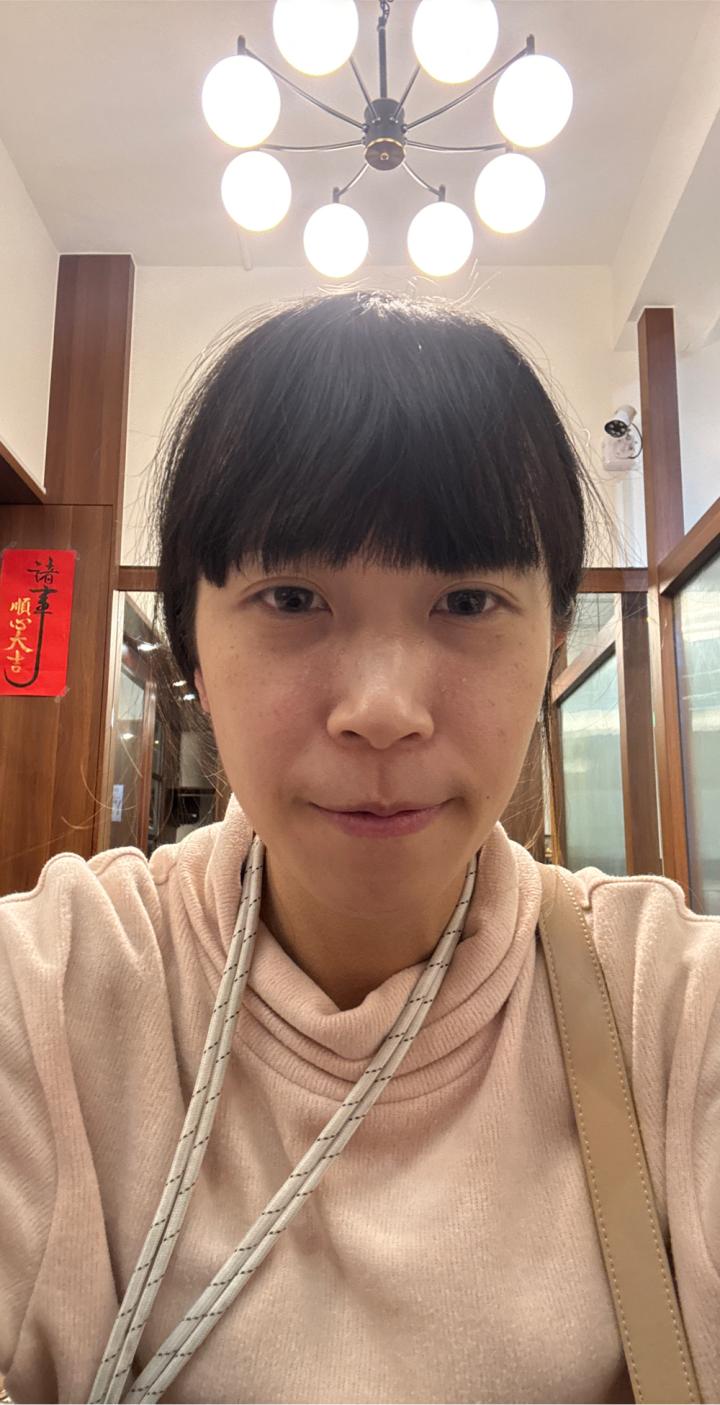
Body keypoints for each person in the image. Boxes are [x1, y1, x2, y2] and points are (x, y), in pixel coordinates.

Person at [1, 289, 718, 1405]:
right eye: (293, 596)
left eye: (466, 601)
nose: (382, 711)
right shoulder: (50, 993)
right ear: (192, 649)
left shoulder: (670, 1012)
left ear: (552, 645)